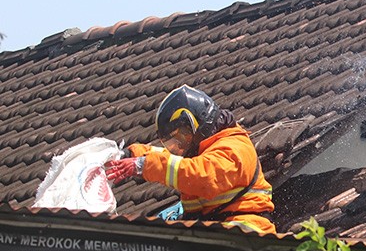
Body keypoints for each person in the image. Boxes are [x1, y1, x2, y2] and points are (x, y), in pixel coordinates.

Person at [104, 85, 276, 235]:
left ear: (198, 123)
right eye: (173, 142)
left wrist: (144, 166)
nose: (178, 146)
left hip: (247, 232)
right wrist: (130, 154)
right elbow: (167, 157)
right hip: (218, 230)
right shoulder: (203, 151)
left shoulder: (234, 147)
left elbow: (203, 175)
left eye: (182, 136)